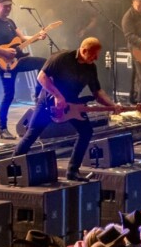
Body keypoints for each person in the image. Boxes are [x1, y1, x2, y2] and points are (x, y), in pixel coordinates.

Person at [12, 37, 123, 181]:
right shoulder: (62, 58)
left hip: (73, 103)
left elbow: (98, 92)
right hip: (48, 101)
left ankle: (72, 170)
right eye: (94, 54)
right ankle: (13, 167)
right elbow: (41, 77)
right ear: (83, 51)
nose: (96, 58)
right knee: (32, 134)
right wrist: (58, 95)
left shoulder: (91, 67)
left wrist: (112, 106)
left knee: (86, 132)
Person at [0, 0, 48, 140]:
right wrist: (3, 51)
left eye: (10, 6)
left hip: (18, 60)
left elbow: (23, 39)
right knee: (9, 95)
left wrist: (37, 37)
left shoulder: (10, 22)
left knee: (44, 63)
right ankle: (1, 128)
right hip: (5, 64)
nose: (8, 9)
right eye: (5, 6)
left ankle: (38, 96)